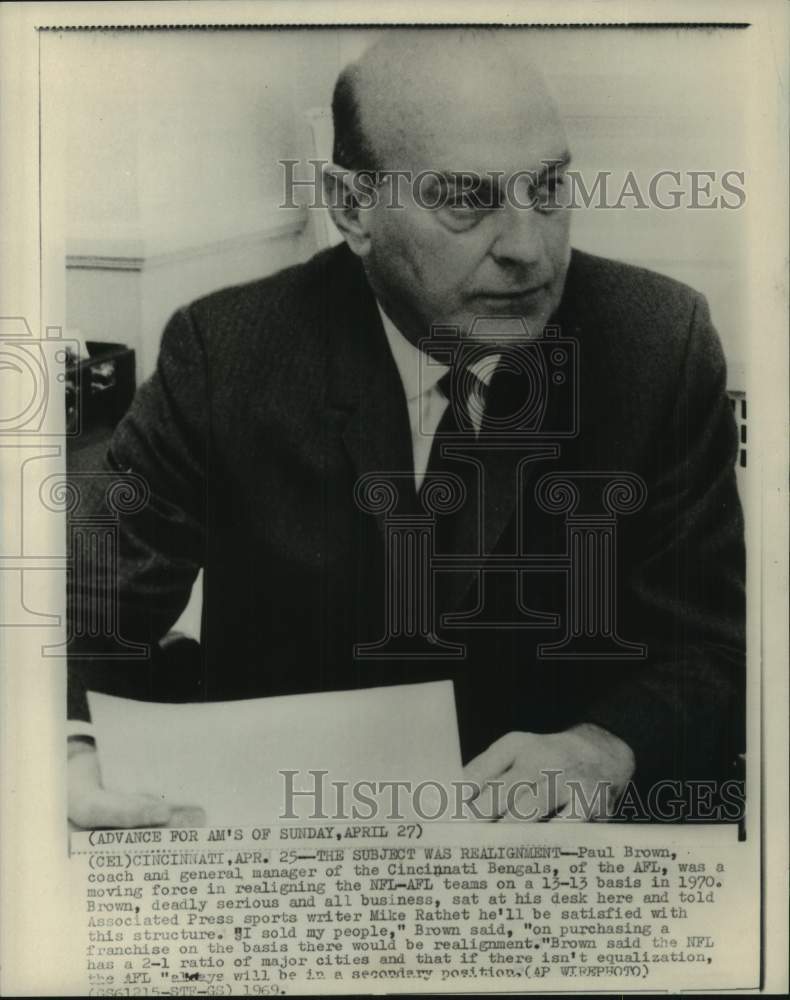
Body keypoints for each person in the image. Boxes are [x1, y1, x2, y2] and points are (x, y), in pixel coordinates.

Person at [67, 30, 745, 828]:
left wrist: (609, 743)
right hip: (297, 860)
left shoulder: (658, 344)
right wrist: (71, 749)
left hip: (553, 864)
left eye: (550, 188)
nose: (529, 248)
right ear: (354, 208)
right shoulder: (226, 354)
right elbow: (83, 610)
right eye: (466, 199)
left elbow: (715, 650)